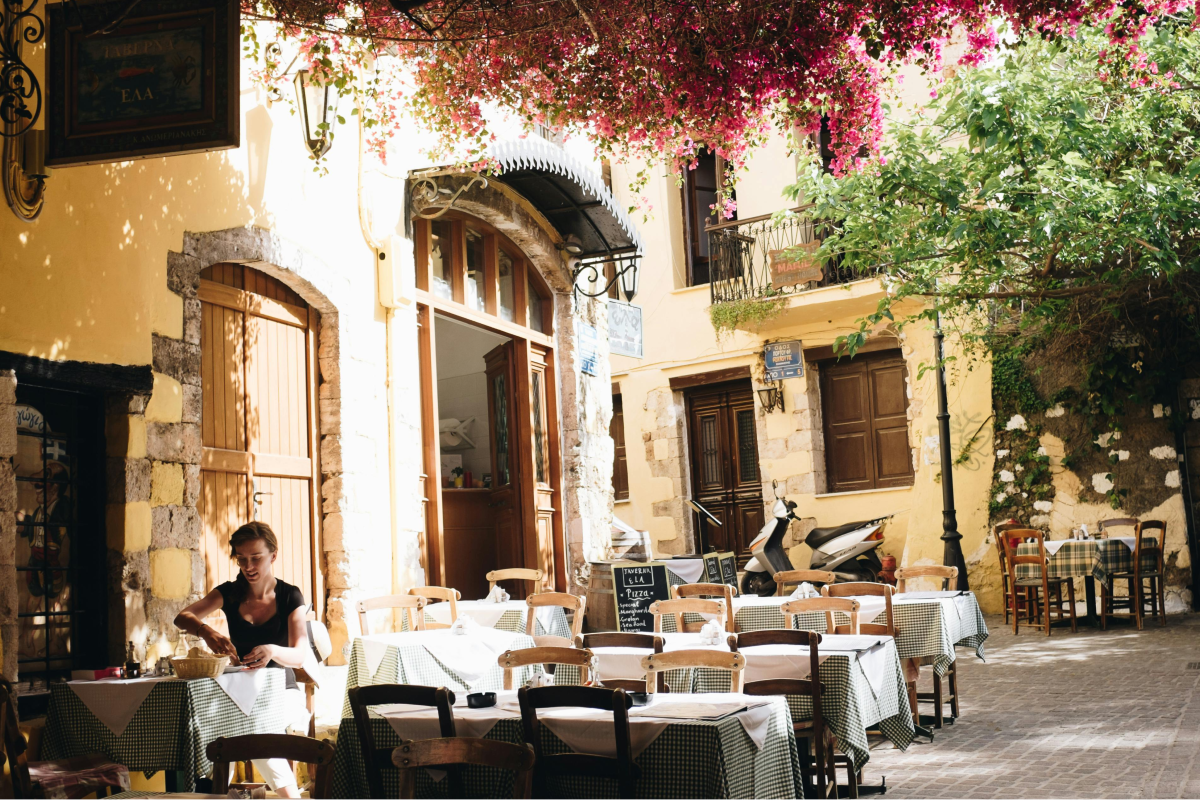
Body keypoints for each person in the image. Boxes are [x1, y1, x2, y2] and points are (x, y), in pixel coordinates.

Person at [174, 522, 311, 798]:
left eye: (256, 558)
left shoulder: (289, 595)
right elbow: (182, 617)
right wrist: (206, 631)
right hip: (236, 693)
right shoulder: (230, 592)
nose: (248, 566)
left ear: (273, 555)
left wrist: (272, 650)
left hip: (280, 692)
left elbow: (300, 655)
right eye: (241, 559)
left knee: (254, 735)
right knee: (212, 731)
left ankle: (285, 796)